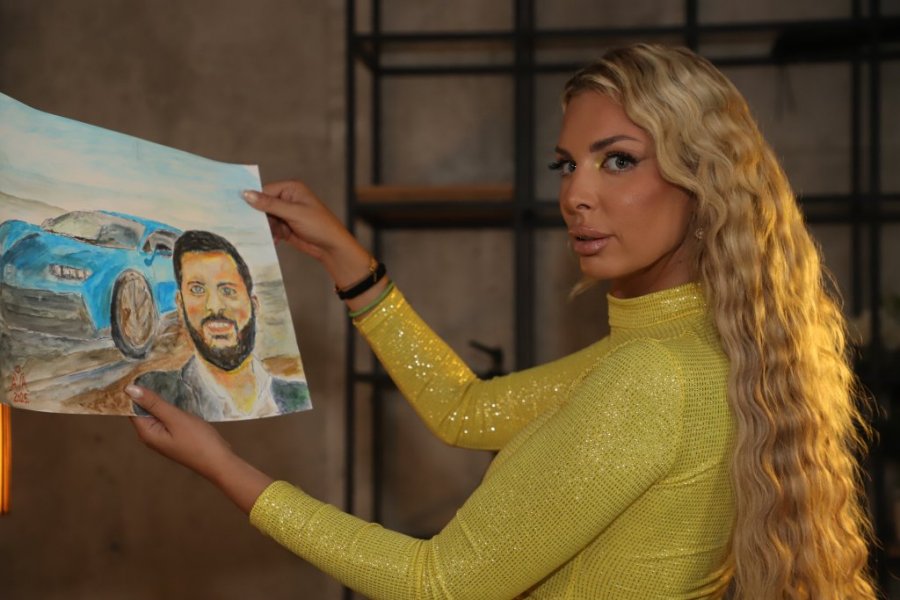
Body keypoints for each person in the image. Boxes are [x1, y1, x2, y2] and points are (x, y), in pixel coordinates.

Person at [128, 44, 876, 598]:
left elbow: (438, 582)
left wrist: (226, 470)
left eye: (617, 161)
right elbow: (467, 410)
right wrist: (346, 261)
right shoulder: (692, 344)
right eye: (567, 164)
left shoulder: (654, 376)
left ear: (701, 177)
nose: (576, 195)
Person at [135, 230, 309, 421]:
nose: (214, 306)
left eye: (228, 290)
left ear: (254, 305)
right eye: (197, 289)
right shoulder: (157, 391)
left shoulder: (296, 396)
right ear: (180, 304)